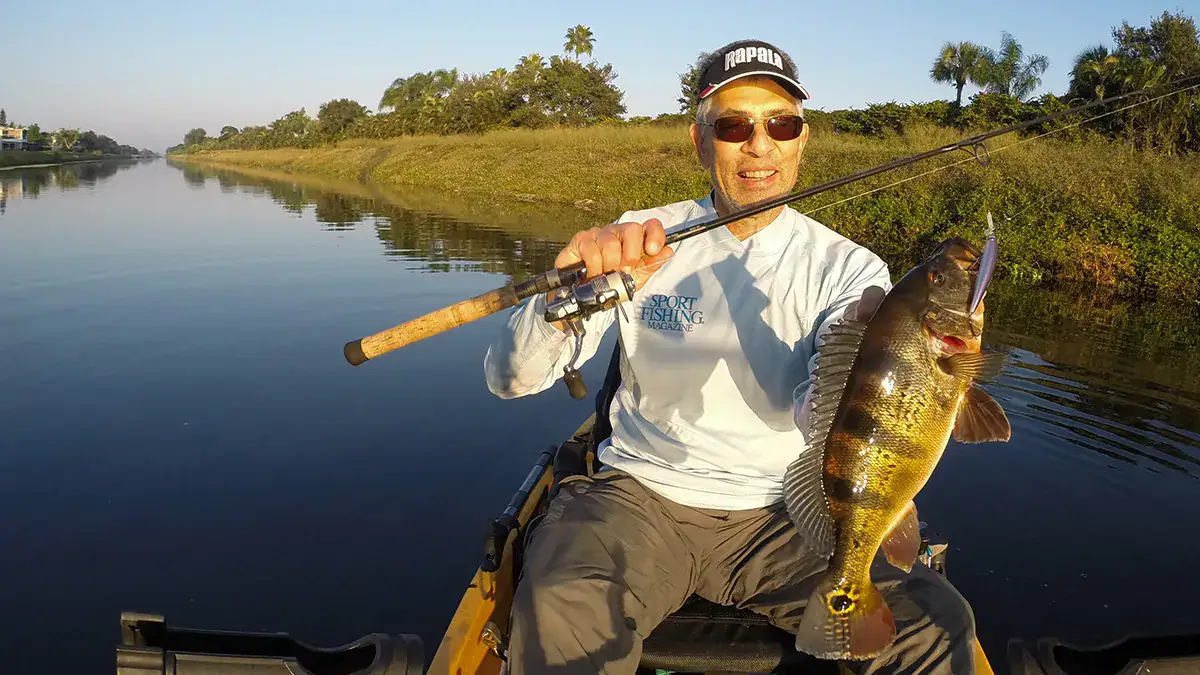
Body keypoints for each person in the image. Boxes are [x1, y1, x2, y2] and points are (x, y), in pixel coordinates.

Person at [483, 39, 977, 675]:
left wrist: (871, 352)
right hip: (639, 498)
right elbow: (509, 379)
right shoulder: (638, 239)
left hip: (786, 515)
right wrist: (573, 292)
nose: (759, 144)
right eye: (734, 126)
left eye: (781, 124)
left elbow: (824, 404)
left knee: (936, 630)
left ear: (802, 140)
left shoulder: (850, 270)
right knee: (560, 604)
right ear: (699, 141)